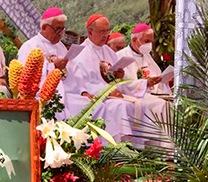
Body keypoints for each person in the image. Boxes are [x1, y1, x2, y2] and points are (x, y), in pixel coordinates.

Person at [66, 14, 137, 142]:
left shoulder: (109, 51)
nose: (106, 35)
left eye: (107, 31)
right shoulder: (81, 53)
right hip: (99, 97)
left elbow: (114, 76)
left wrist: (118, 78)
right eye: (102, 31)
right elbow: (84, 83)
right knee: (121, 106)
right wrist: (108, 91)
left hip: (112, 95)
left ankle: (134, 144)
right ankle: (119, 144)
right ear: (90, 32)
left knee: (136, 104)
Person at [117, 23, 171, 95]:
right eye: (147, 41)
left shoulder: (147, 56)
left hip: (153, 95)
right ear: (134, 40)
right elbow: (124, 83)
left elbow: (158, 75)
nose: (149, 44)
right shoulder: (120, 56)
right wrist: (145, 83)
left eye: (151, 41)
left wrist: (164, 79)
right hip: (134, 96)